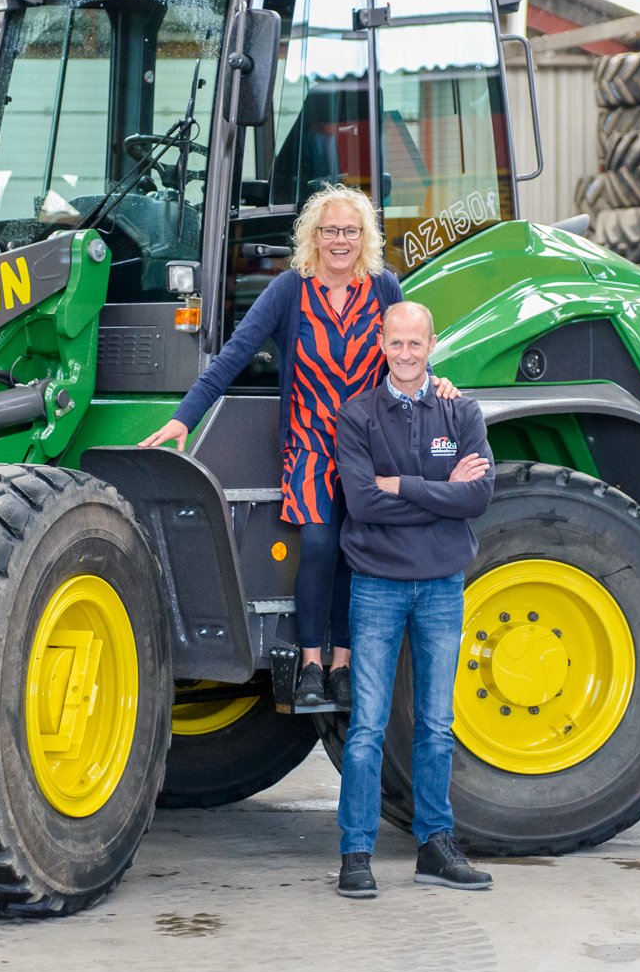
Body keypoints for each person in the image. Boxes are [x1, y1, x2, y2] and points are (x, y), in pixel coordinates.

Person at [139, 185, 456, 709]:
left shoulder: (383, 288)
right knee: (318, 546)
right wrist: (183, 419)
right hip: (310, 442)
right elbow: (233, 354)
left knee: (357, 553)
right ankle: (311, 663)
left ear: (364, 238)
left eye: (350, 231)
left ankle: (343, 665)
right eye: (329, 231)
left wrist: (436, 385)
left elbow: (407, 355)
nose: (340, 241)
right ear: (313, 237)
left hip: (369, 447)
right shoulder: (290, 290)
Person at [332, 300, 495, 899]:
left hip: (441, 584)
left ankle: (435, 846)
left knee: (437, 723)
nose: (405, 354)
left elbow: (477, 497)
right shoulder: (357, 417)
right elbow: (362, 503)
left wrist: (401, 484)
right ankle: (355, 853)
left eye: (415, 344)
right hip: (376, 583)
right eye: (395, 344)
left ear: (433, 346)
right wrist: (438, 492)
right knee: (368, 726)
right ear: (381, 343)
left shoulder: (462, 411)